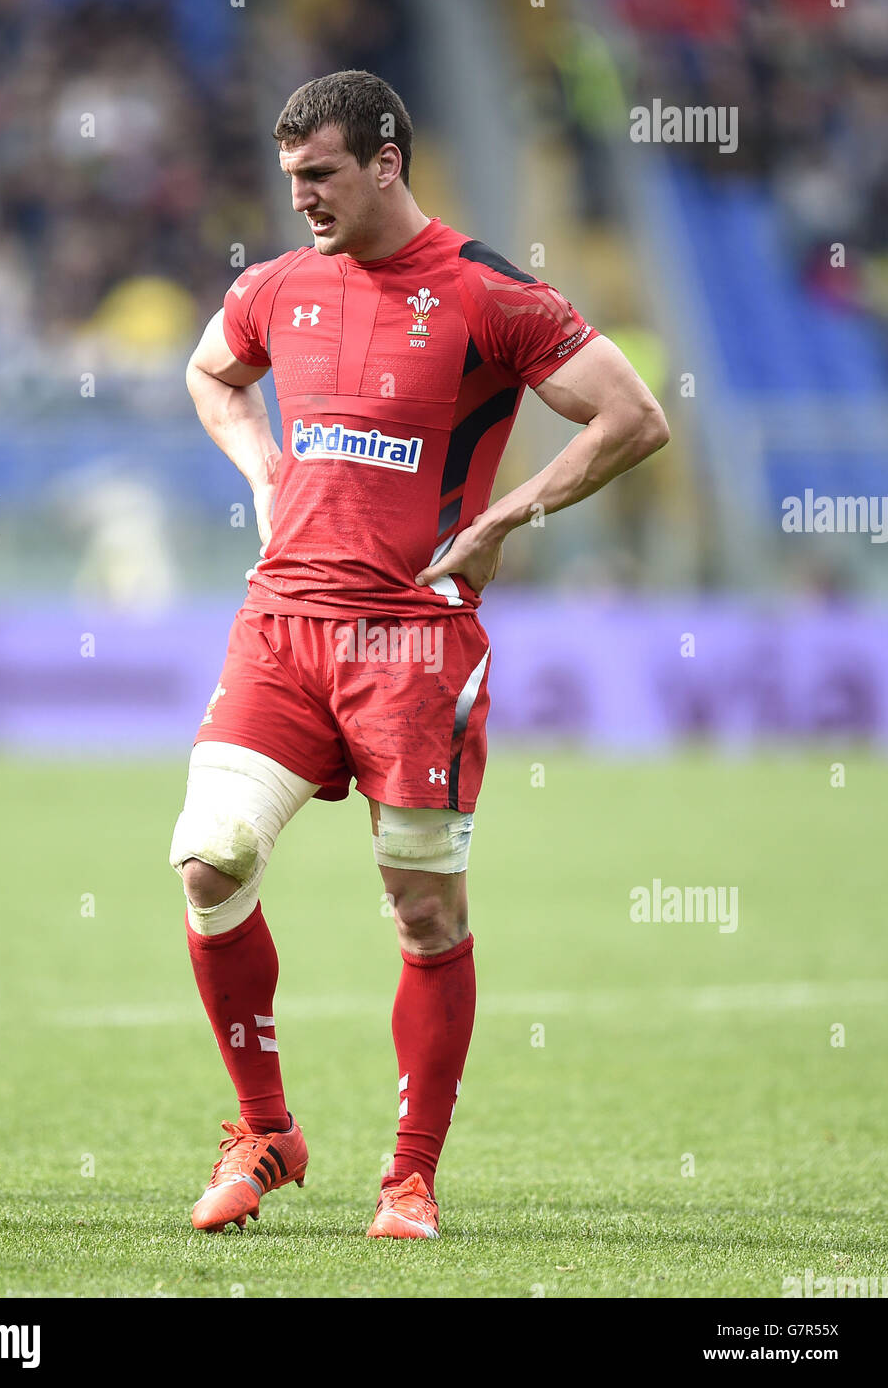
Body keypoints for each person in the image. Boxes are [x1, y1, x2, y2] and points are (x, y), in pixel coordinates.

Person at [172, 69, 669, 1239]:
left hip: (413, 643)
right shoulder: (276, 286)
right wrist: (261, 470)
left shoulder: (487, 290)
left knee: (424, 911)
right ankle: (266, 1132)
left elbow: (633, 415)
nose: (299, 199)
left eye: (321, 176)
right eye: (290, 177)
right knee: (208, 860)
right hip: (281, 623)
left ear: (387, 161)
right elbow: (208, 370)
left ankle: (409, 1177)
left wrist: (505, 520)